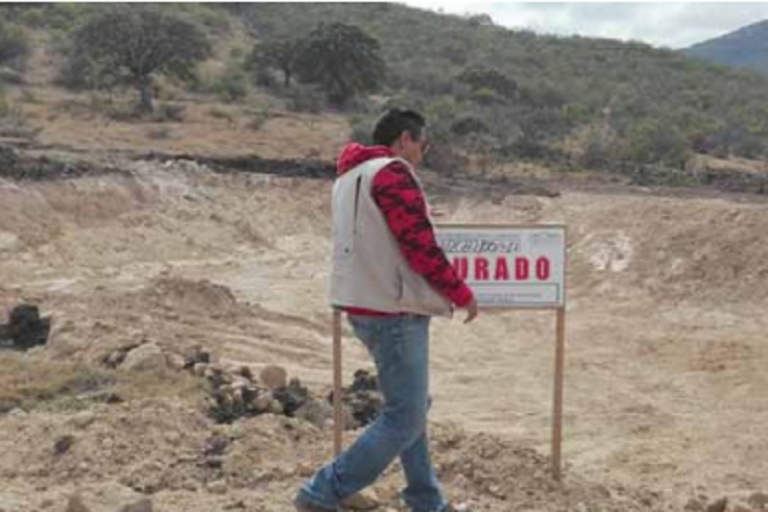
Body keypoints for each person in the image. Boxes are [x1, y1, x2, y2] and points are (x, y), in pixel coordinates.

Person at [295, 108, 478, 512]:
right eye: (422, 143)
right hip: (394, 309)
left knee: (411, 408)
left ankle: (426, 500)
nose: (423, 152)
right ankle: (322, 492)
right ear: (403, 140)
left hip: (364, 303)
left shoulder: (349, 177)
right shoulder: (392, 173)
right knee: (405, 415)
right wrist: (460, 292)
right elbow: (418, 245)